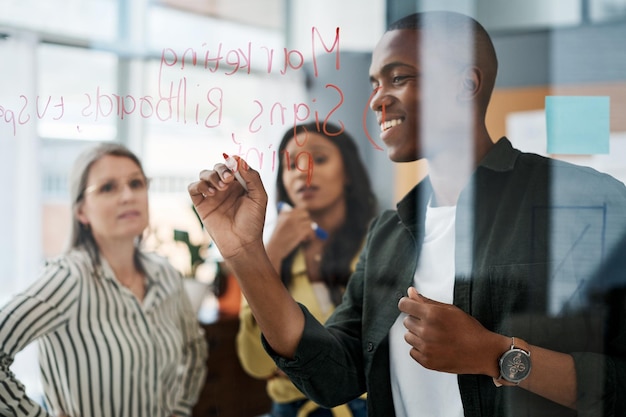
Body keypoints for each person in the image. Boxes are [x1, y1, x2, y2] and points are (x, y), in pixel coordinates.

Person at [188, 11, 626, 417]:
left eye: (397, 78)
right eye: (374, 84)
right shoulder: (389, 233)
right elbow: (333, 373)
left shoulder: (583, 199)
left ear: (466, 85)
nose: (377, 100)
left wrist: (494, 355)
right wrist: (246, 252)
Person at [0, 143, 208, 417]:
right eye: (108, 187)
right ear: (81, 211)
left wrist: (178, 410)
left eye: (136, 183)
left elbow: (194, 349)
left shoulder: (166, 273)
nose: (128, 196)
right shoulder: (67, 278)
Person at [236, 122, 377, 417]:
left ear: (348, 173)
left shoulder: (379, 246)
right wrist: (270, 255)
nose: (302, 170)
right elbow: (256, 364)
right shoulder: (267, 254)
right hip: (291, 409)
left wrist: (296, 363)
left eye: (320, 159)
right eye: (291, 164)